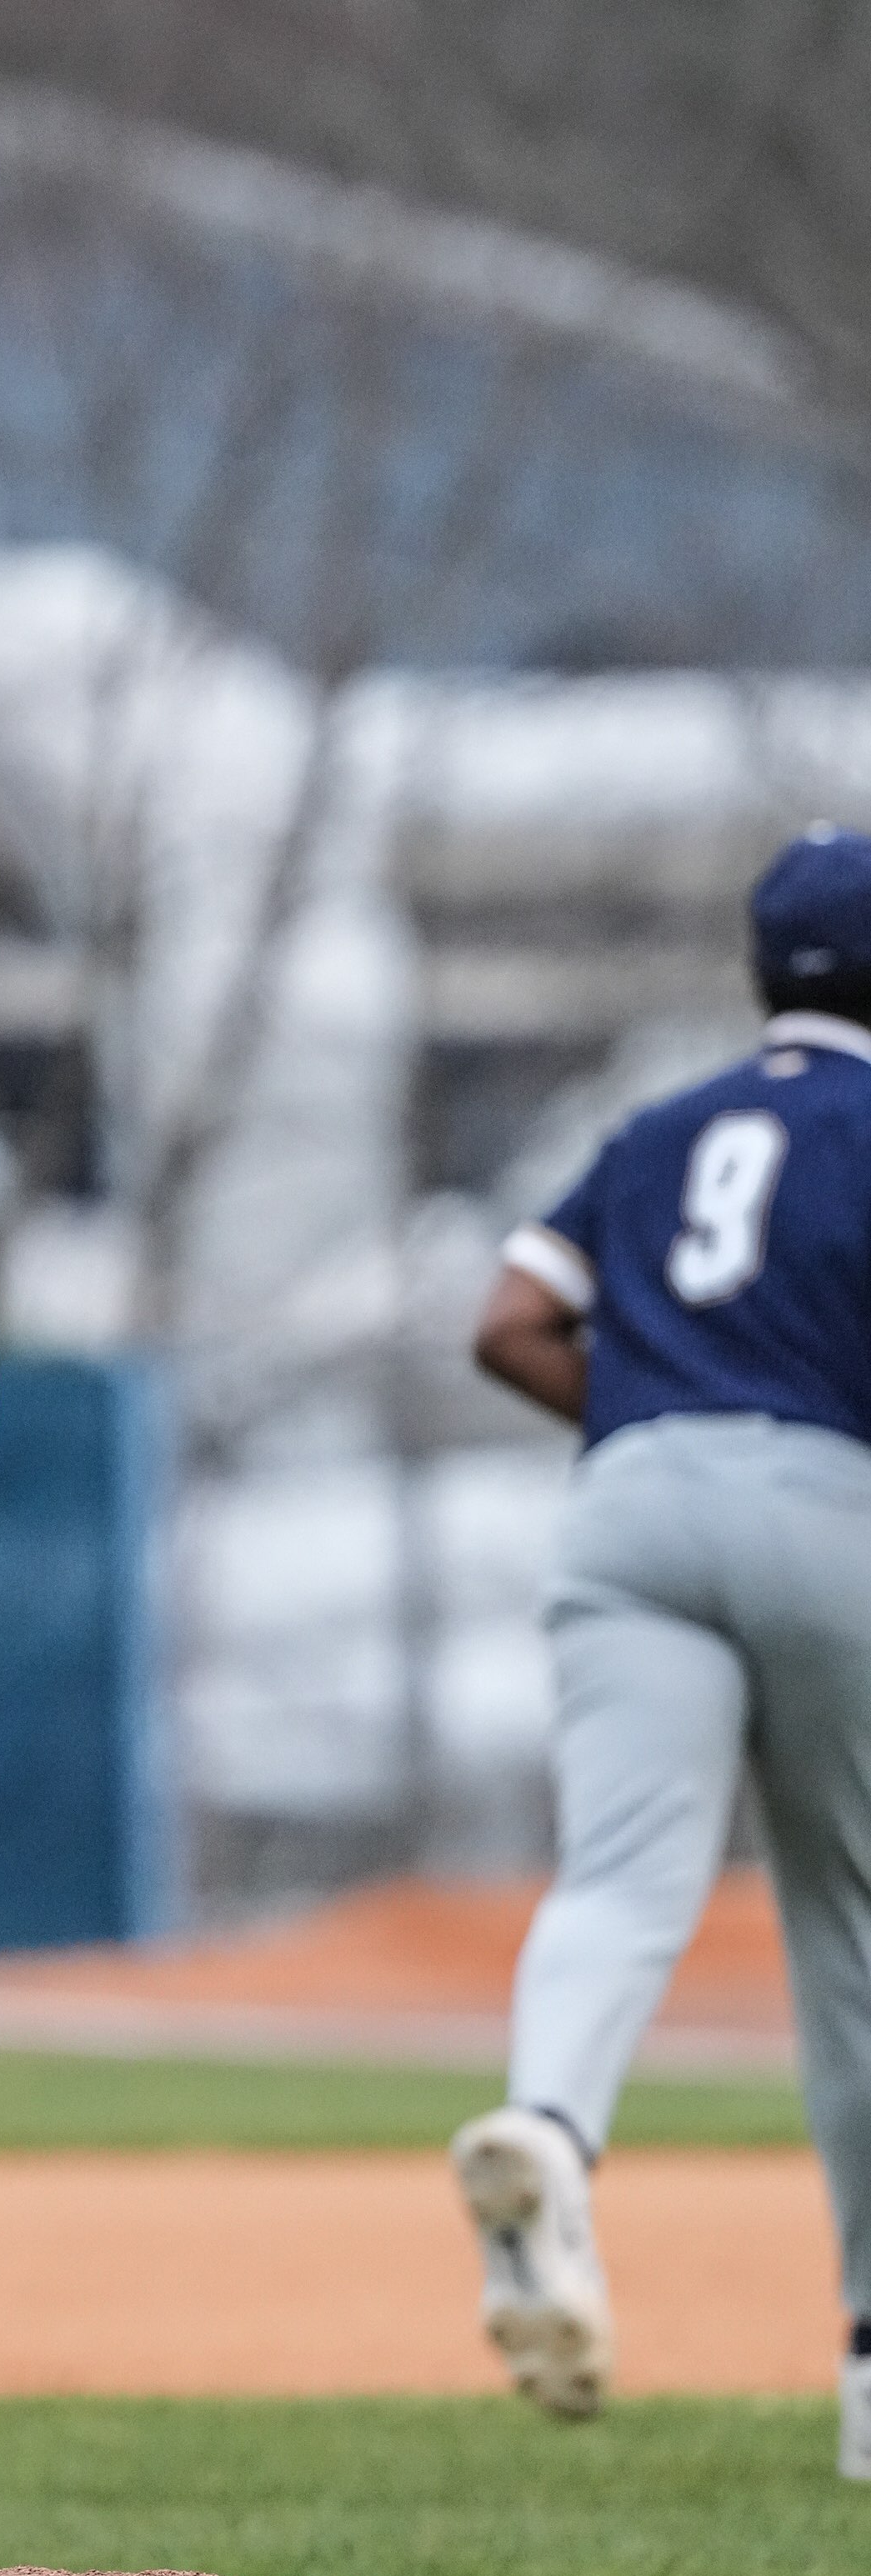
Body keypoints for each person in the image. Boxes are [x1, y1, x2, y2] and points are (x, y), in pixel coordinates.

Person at [453, 824, 871, 2475]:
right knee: (850, 1934)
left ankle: (549, 2125)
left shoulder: (664, 1125)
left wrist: (646, 1423)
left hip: (631, 1501)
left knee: (623, 1881)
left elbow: (506, 1318)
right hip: (828, 1498)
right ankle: (864, 2369)